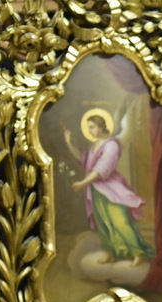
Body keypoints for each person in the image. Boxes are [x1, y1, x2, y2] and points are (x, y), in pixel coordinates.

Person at [64, 109, 154, 266]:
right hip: (96, 190)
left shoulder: (112, 144)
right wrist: (69, 142)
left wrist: (83, 183)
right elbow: (83, 159)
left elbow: (102, 168)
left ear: (101, 127)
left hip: (111, 190)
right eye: (88, 127)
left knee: (120, 221)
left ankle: (138, 253)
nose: (90, 130)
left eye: (92, 127)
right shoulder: (95, 145)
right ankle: (110, 253)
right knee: (103, 222)